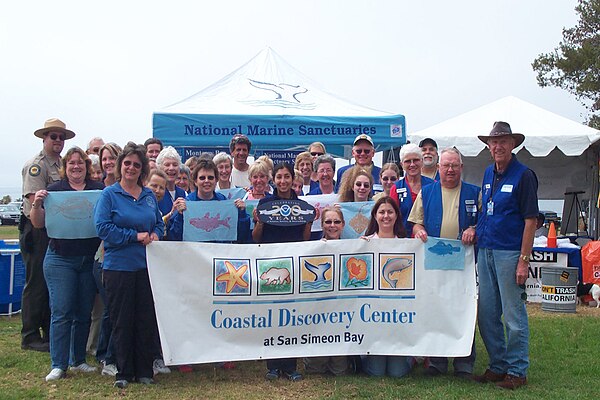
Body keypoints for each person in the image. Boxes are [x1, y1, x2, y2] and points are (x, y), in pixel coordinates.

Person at [473, 121, 538, 390]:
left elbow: (531, 220)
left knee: (513, 315)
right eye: (493, 142)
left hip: (510, 253)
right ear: (488, 146)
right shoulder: (489, 173)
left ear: (513, 145)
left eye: (503, 141)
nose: (497, 146)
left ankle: (517, 370)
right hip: (486, 250)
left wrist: (524, 260)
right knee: (487, 313)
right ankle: (497, 365)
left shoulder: (524, 175)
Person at [29, 147, 104, 381]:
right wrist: (37, 205)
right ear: (65, 166)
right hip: (60, 258)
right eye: (71, 163)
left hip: (88, 258)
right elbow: (39, 224)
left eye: (80, 162)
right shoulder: (54, 190)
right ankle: (58, 364)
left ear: (86, 166)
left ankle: (78, 360)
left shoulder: (99, 190)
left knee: (83, 312)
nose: (76, 167)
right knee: (61, 311)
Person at [94, 142, 164, 388]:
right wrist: (134, 237)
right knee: (121, 320)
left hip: (146, 267)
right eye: (127, 163)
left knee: (144, 318)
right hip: (118, 267)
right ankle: (123, 372)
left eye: (136, 164)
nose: (131, 168)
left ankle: (144, 371)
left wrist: (155, 234)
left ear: (142, 168)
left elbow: (158, 224)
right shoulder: (109, 195)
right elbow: (102, 228)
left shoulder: (147, 196)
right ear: (120, 166)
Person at [408, 147, 480, 379]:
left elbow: (485, 223)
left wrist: (473, 228)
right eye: (446, 165)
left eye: (454, 165)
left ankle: (464, 363)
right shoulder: (426, 192)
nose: (450, 170)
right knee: (436, 309)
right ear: (438, 168)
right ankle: (437, 361)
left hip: (465, 265)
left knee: (464, 311)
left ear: (461, 168)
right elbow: (416, 223)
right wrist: (419, 231)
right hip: (435, 262)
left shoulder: (474, 193)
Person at [19, 118, 76, 352]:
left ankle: (47, 332)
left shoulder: (61, 165)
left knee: (50, 282)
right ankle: (30, 335)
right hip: (37, 228)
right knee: (36, 282)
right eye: (53, 136)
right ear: (44, 138)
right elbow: (36, 201)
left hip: (56, 228)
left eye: (61, 137)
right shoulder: (37, 165)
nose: (58, 141)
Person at [252, 162, 312, 381]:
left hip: (293, 264)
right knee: (272, 314)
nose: (283, 181)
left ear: (291, 177)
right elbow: (256, 238)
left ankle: (290, 365)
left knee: (292, 315)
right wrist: (259, 221)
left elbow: (305, 239)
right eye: (279, 177)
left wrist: (308, 223)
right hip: (270, 263)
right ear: (273, 179)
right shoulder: (265, 203)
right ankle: (273, 366)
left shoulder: (301, 205)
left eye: (287, 177)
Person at [360, 197, 411, 377]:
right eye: (381, 212)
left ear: (397, 215)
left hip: (398, 316)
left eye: (390, 212)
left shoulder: (407, 245)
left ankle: (409, 356)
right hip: (374, 316)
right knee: (376, 372)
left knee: (397, 373)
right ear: (375, 215)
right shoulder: (364, 243)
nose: (386, 216)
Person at [303, 206, 349, 376]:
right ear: (322, 225)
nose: (332, 225)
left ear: (343, 225)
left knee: (339, 371)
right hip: (318, 315)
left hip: (341, 315)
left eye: (336, 222)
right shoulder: (313, 248)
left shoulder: (353, 247)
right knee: (315, 370)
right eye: (328, 222)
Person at [169, 159, 250, 243]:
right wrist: (179, 216)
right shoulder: (187, 203)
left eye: (210, 178)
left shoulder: (224, 202)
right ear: (195, 181)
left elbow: (241, 236)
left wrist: (242, 213)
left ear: (216, 180)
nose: (206, 181)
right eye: (202, 178)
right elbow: (173, 238)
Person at [390, 143, 435, 237]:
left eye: (416, 160)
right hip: (405, 242)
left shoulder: (433, 185)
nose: (412, 164)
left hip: (429, 240)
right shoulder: (396, 188)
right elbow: (392, 217)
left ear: (422, 161)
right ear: (402, 164)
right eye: (407, 161)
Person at [156, 147, 186, 241]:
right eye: (167, 165)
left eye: (175, 164)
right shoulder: (154, 194)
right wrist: (171, 214)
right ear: (160, 168)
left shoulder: (184, 193)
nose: (171, 168)